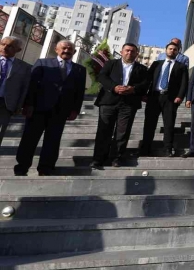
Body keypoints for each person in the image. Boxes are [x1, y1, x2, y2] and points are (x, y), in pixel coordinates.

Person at [14, 40, 86, 176]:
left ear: (74, 52)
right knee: (30, 138)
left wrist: (75, 110)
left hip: (61, 110)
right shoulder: (43, 63)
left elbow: (79, 92)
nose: (66, 51)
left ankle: (45, 167)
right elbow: (32, 85)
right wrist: (28, 104)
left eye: (70, 49)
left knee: (53, 140)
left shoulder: (80, 70)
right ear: (56, 49)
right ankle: (22, 167)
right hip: (38, 108)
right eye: (64, 48)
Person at [91, 43, 149, 169]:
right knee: (103, 131)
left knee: (122, 132)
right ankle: (98, 159)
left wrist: (133, 89)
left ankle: (116, 158)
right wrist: (114, 87)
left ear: (137, 54)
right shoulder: (111, 64)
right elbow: (101, 76)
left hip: (128, 104)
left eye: (133, 51)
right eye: (127, 50)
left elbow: (145, 84)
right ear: (121, 52)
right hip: (108, 102)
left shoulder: (142, 69)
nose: (129, 53)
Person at [141, 42, 189, 157]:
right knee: (149, 124)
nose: (172, 51)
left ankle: (168, 148)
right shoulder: (156, 64)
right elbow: (148, 80)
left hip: (170, 98)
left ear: (178, 52)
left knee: (169, 125)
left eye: (175, 49)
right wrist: (144, 93)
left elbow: (184, 83)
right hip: (154, 97)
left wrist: (180, 96)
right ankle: (145, 148)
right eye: (170, 49)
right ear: (166, 50)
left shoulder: (181, 66)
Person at [0, 37, 32, 147]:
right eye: (3, 44)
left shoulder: (25, 67)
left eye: (10, 46)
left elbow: (24, 88)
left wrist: (19, 105)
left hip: (6, 105)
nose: (5, 47)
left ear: (18, 50)